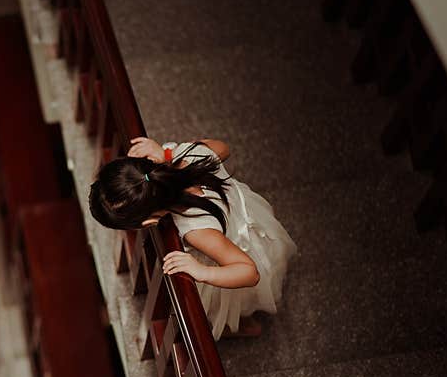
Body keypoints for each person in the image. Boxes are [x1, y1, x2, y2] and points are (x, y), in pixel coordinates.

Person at [88, 137, 296, 339]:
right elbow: (223, 148)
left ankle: (242, 325)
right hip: (249, 223)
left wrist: (202, 271)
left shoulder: (197, 229)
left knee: (226, 308)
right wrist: (167, 153)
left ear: (149, 221)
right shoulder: (185, 155)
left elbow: (250, 273)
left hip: (236, 256)